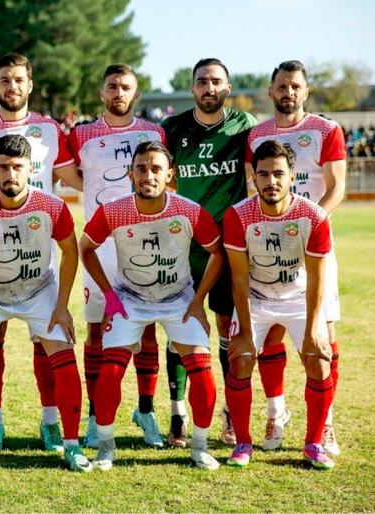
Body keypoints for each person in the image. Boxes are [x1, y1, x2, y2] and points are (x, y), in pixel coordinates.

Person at [0, 134, 90, 474]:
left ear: (31, 169)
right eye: (4, 167)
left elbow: (70, 252)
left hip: (39, 292)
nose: (11, 174)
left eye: (18, 167)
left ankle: (71, 444)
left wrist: (61, 305)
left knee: (65, 362)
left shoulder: (51, 206)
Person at [0, 53, 81, 453]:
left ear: (29, 84)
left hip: (38, 250)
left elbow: (73, 176)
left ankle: (50, 422)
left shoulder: (49, 129)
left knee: (45, 343)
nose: (12, 87)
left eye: (18, 80)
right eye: (4, 80)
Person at [80, 141, 223, 471]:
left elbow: (217, 252)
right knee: (110, 371)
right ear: (130, 174)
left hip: (179, 300)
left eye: (156, 169)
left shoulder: (188, 210)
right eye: (141, 169)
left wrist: (198, 301)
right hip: (130, 299)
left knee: (202, 373)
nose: (148, 175)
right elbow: (85, 247)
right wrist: (109, 296)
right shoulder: (113, 210)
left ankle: (200, 447)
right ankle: (105, 448)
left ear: (170, 174)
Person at [153, 58, 256, 447]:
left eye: (215, 82)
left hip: (230, 246)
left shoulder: (244, 127)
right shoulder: (172, 128)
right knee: (180, 324)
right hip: (185, 244)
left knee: (229, 325)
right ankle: (178, 414)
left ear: (227, 87)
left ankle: (229, 412)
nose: (208, 88)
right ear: (192, 88)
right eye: (201, 82)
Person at [246, 60, 346, 455]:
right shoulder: (256, 134)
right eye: (282, 86)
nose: (288, 92)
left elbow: (336, 187)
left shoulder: (326, 130)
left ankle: (326, 424)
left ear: (306, 91)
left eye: (295, 86)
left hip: (313, 245)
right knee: (271, 330)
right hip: (268, 245)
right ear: (270, 91)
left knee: (323, 335)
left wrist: (310, 224)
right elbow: (250, 188)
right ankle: (276, 413)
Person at [66, 63, 166, 448]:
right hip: (100, 248)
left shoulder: (154, 133)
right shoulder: (82, 134)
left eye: (125, 87)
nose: (118, 93)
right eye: (112, 86)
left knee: (148, 328)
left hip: (142, 246)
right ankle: (95, 415)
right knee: (96, 331)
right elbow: (73, 176)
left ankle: (146, 410)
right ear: (101, 93)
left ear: (136, 94)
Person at [224, 140, 335, 470]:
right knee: (240, 360)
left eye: (278, 174)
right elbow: (239, 279)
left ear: (292, 177)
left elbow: (316, 279)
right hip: (256, 298)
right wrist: (245, 333)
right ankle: (243, 443)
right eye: (263, 174)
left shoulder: (313, 216)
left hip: (298, 298)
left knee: (319, 361)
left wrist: (313, 330)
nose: (271, 181)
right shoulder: (238, 216)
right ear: (254, 178)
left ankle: (313, 443)